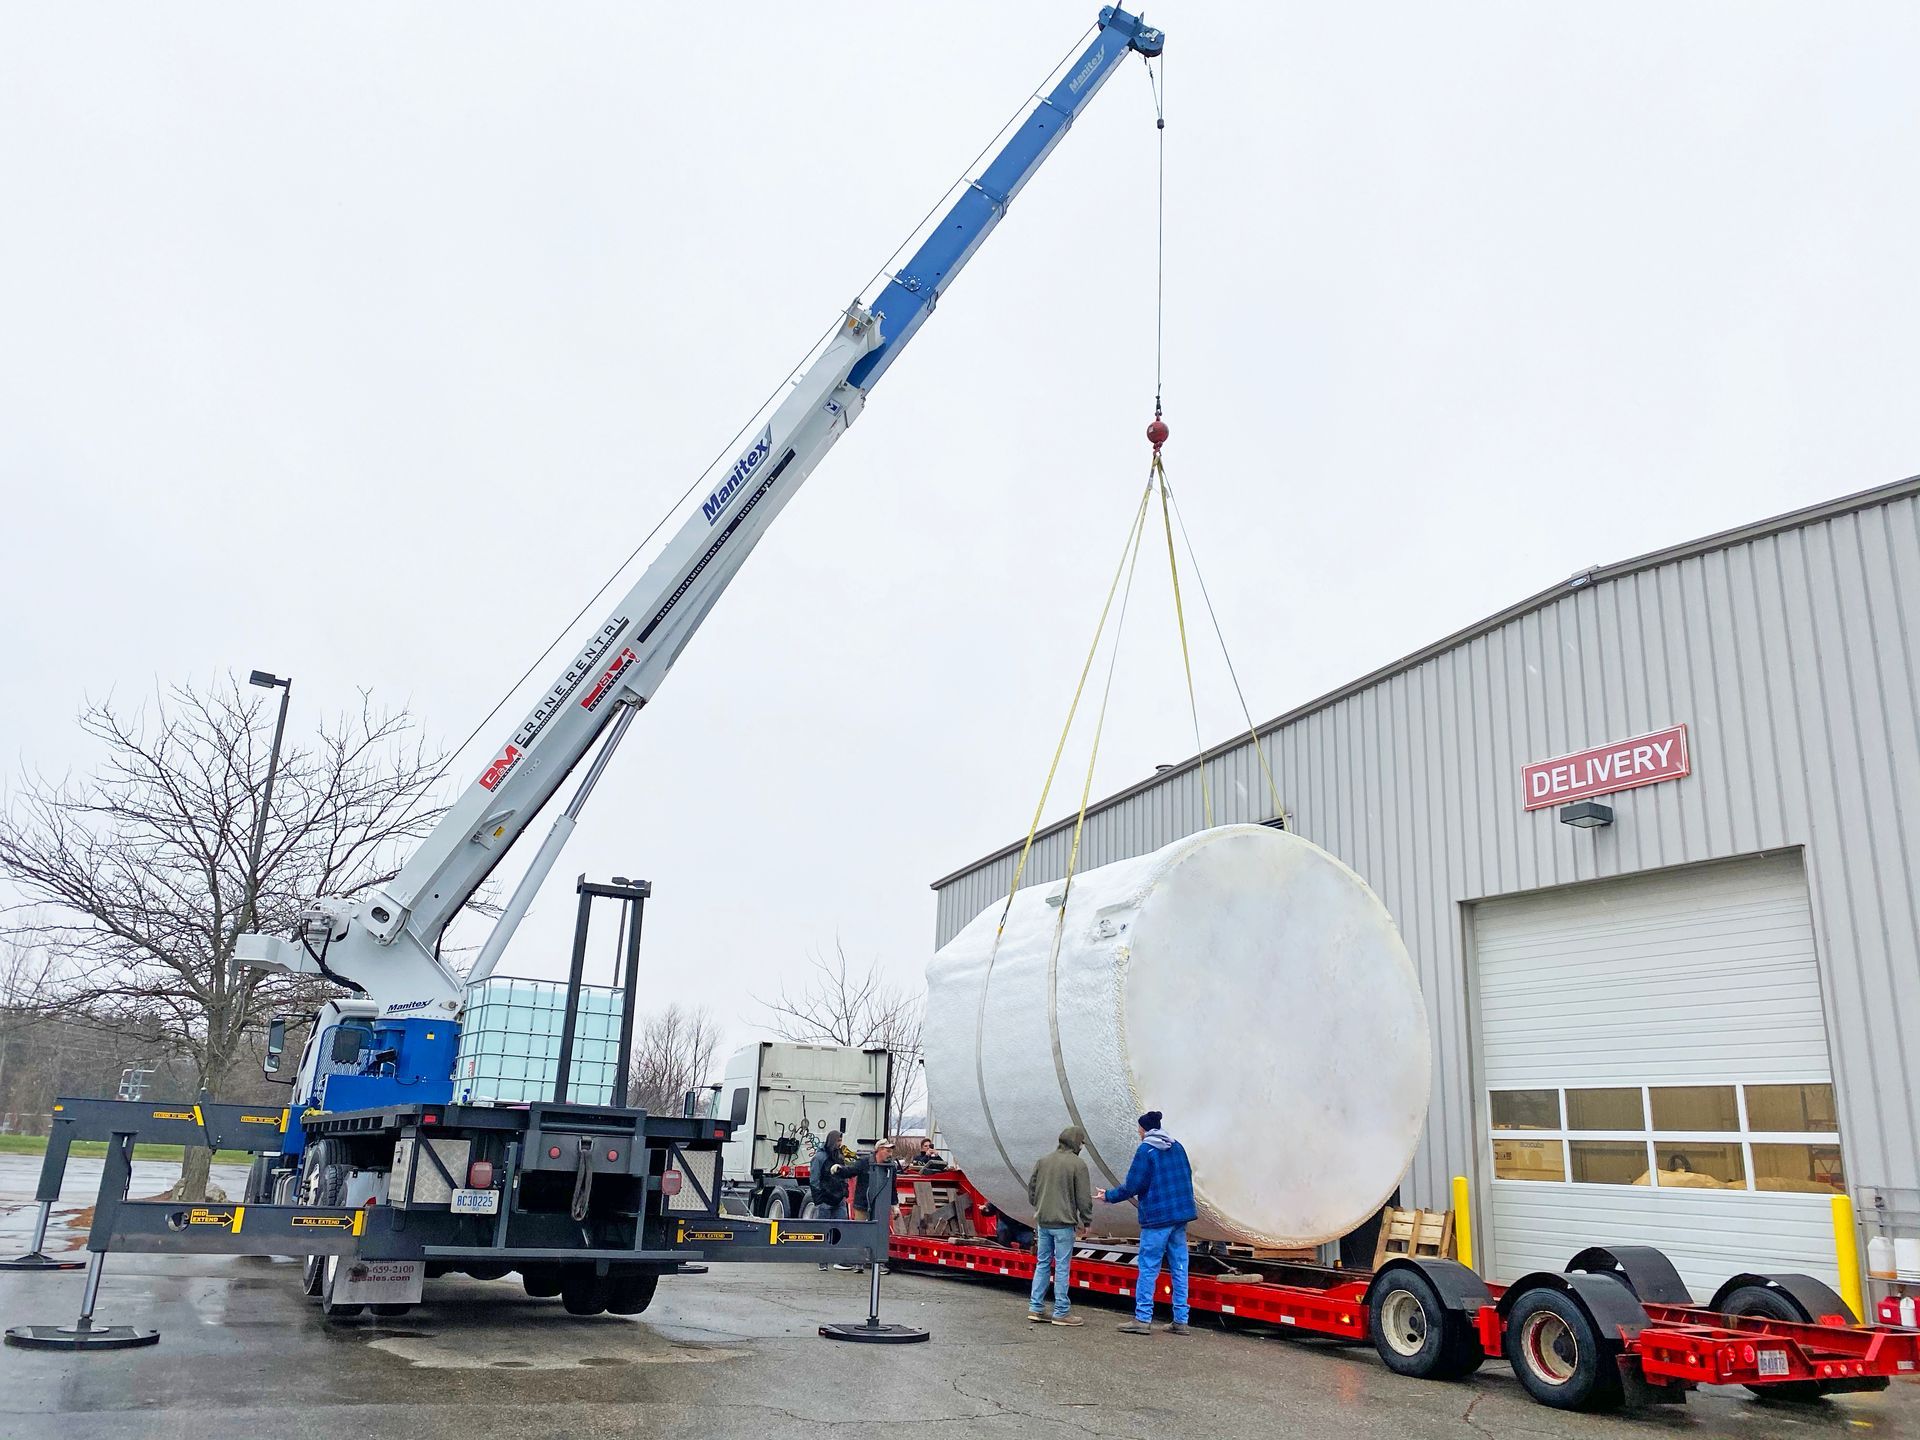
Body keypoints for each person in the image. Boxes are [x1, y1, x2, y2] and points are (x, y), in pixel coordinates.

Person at [1101, 1109, 1196, 1335]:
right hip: (1180, 1216)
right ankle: (1181, 1320)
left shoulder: (1146, 1150)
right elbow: (1187, 1174)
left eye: (1139, 1129)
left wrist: (1108, 1196)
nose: (1138, 1132)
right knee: (1180, 1267)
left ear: (1144, 1129)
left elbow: (1132, 1185)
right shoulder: (1178, 1146)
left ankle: (1143, 1318)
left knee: (1149, 1267)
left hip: (1157, 1217)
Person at [1026, 1126, 1093, 1326]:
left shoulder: (1043, 1161)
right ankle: (1061, 1312)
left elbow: (1032, 1190)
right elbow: (1083, 1197)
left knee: (1042, 1264)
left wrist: (1039, 1206)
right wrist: (1087, 1220)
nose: (1082, 1146)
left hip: (1043, 1221)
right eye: (1081, 1143)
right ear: (1076, 1143)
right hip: (1064, 1223)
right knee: (1062, 1266)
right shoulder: (1078, 1165)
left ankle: (1036, 1308)